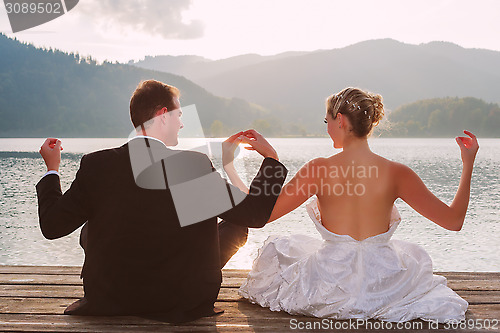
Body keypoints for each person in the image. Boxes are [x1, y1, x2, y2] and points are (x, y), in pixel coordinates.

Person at [36, 79, 288, 323]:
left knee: (93, 223)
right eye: (179, 115)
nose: (181, 124)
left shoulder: (96, 164)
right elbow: (254, 214)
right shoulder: (193, 165)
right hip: (181, 301)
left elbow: (52, 226)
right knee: (234, 222)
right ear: (163, 115)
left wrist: (52, 169)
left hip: (110, 298)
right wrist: (272, 160)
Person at [231, 87, 478, 323]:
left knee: (279, 252)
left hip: (331, 278)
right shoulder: (397, 173)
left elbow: (263, 214)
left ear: (340, 120)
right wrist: (468, 165)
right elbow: (453, 221)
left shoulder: (318, 169)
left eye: (326, 121)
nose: (327, 128)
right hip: (385, 281)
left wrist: (268, 159)